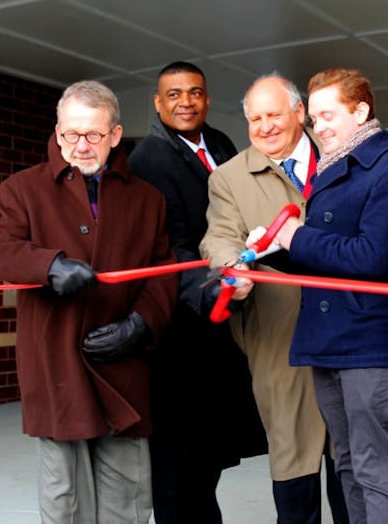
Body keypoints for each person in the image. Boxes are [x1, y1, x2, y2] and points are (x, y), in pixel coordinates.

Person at [0, 80, 178, 523]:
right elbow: (1, 250)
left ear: (114, 135)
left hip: (122, 363)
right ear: (57, 132)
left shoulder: (148, 199)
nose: (81, 145)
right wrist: (49, 265)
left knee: (127, 496)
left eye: (93, 134)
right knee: (63, 496)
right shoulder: (21, 189)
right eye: (71, 134)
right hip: (56, 363)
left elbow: (162, 274)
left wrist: (140, 325)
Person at [272, 68, 388, 524]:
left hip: (368, 341)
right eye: (314, 119)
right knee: (349, 465)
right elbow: (325, 258)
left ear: (361, 111)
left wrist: (298, 238)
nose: (321, 127)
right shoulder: (333, 168)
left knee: (377, 469)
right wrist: (270, 252)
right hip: (329, 340)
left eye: (329, 114)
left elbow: (371, 257)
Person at [200, 73, 348, 524]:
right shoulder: (228, 177)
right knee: (293, 456)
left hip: (349, 330)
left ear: (299, 114)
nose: (265, 127)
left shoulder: (344, 157)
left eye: (274, 115)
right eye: (255, 118)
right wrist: (233, 269)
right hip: (280, 338)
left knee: (352, 461)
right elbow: (219, 237)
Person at [128, 61, 266, 523]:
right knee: (178, 458)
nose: (185, 102)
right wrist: (217, 285)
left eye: (194, 93)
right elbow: (169, 248)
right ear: (157, 102)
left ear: (207, 98)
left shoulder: (222, 144)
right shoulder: (149, 159)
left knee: (207, 452)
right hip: (182, 324)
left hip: (221, 326)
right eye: (174, 94)